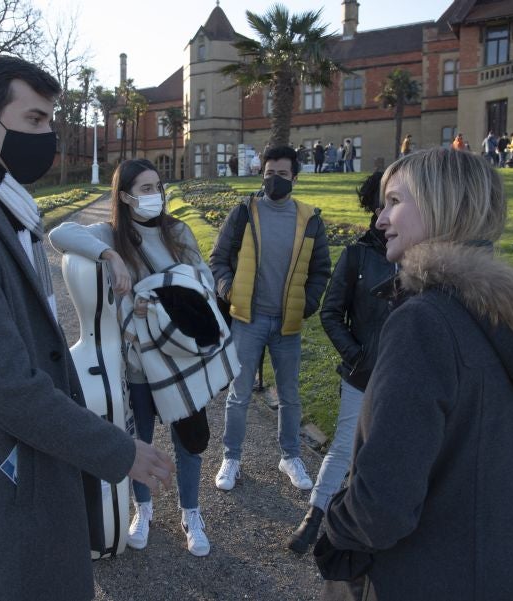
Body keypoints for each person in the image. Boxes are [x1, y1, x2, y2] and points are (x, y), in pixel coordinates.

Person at [0, 56, 174, 601]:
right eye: (34, 120)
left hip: (14, 483)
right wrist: (118, 451)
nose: (48, 135)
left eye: (50, 120)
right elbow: (7, 386)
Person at [316, 147, 513, 600]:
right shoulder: (507, 318)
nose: (380, 220)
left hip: (426, 578)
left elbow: (382, 504)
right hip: (509, 574)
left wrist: (334, 531)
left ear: (442, 206)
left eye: (394, 202)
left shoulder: (425, 321)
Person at [49, 158, 215, 557]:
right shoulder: (112, 233)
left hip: (180, 361)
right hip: (138, 366)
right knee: (138, 441)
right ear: (124, 196)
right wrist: (110, 254)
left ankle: (191, 513)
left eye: (158, 186)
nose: (155, 195)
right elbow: (59, 233)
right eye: (144, 189)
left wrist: (162, 297)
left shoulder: (178, 232)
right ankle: (143, 509)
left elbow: (205, 281)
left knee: (189, 442)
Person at [210, 145, 331, 492]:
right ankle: (231, 458)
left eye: (281, 174)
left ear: (294, 176)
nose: (274, 180)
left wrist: (307, 303)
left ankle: (290, 455)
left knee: (290, 395)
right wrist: (229, 290)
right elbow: (219, 258)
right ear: (261, 174)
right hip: (247, 319)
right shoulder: (245, 212)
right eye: (269, 174)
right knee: (239, 394)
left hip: (287, 323)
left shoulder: (310, 219)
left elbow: (321, 269)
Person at [287, 169, 395, 554]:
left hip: (405, 378)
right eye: (384, 203)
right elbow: (331, 313)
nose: (388, 214)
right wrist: (356, 355)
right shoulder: (357, 255)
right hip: (361, 373)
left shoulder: (424, 257)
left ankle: (368, 526)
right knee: (345, 447)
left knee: (392, 451)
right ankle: (314, 517)